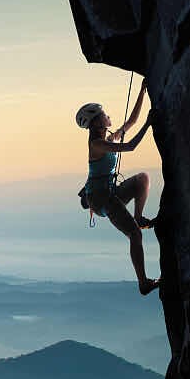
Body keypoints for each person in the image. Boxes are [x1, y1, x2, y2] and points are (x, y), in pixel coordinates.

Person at [76, 78, 160, 295]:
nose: (108, 116)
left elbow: (131, 122)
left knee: (142, 179)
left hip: (109, 193)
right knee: (134, 234)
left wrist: (142, 91)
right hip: (101, 198)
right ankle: (143, 282)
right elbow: (131, 146)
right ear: (97, 123)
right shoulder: (98, 145)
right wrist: (149, 124)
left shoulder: (106, 139)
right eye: (104, 114)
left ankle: (139, 217)